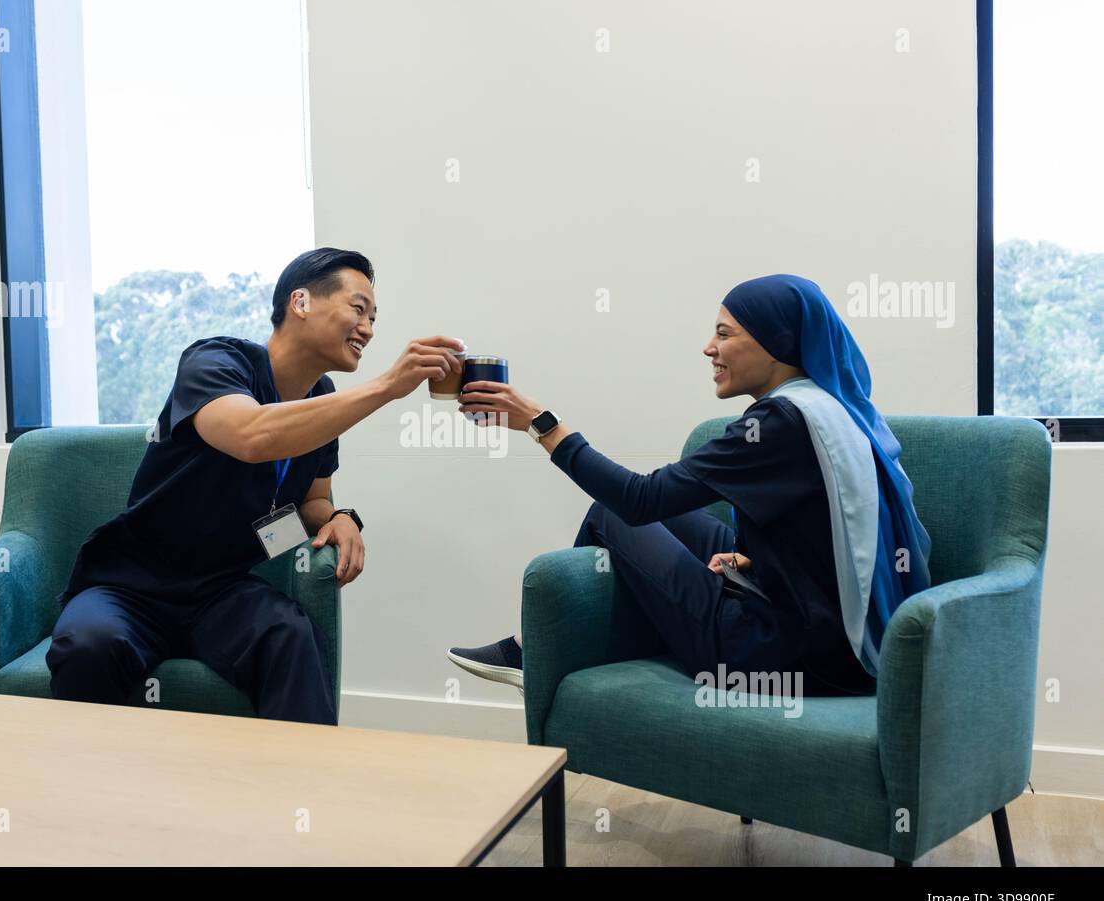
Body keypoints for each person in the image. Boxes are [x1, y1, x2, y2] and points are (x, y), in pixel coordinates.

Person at [449, 274, 932, 697]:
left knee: (612, 513)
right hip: (833, 636)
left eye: (725, 333)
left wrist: (541, 425)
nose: (709, 348)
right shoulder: (831, 407)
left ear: (776, 342)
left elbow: (641, 499)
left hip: (786, 658)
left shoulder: (782, 422)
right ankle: (598, 640)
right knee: (673, 521)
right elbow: (836, 535)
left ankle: (534, 652)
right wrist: (753, 559)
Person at [47, 248, 464, 724]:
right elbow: (250, 436)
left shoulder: (322, 398)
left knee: (291, 634)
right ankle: (93, 790)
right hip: (133, 585)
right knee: (89, 645)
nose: (368, 328)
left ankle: (296, 794)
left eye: (373, 317)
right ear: (301, 302)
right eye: (358, 308)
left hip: (220, 591)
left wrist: (340, 517)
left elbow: (311, 499)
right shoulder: (216, 361)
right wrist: (387, 387)